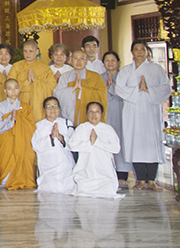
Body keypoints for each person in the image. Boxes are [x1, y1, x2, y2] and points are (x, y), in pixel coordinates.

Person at [115, 40, 171, 191]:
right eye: (136, 49)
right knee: (136, 143)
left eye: (142, 49)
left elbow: (166, 88)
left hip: (151, 111)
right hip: (132, 111)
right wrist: (136, 90)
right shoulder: (126, 71)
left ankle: (151, 180)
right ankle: (140, 179)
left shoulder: (156, 69)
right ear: (132, 52)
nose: (139, 52)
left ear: (147, 52)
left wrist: (149, 90)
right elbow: (119, 88)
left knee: (152, 143)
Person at [69, 102, 122, 199]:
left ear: (102, 114)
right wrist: (89, 143)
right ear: (86, 114)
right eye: (91, 112)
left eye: (97, 112)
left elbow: (116, 148)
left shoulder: (108, 129)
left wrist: (97, 142)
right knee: (83, 189)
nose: (94, 114)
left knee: (107, 189)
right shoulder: (81, 128)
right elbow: (72, 146)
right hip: (85, 170)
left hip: (105, 172)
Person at [0, 79, 36, 190]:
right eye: (9, 88)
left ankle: (22, 179)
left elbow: (31, 127)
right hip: (6, 138)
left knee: (22, 157)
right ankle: (5, 180)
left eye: (16, 88)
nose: (13, 91)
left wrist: (19, 120)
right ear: (5, 91)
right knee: (5, 159)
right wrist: (10, 120)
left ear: (20, 90)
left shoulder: (25, 107)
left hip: (22, 140)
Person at [31, 96, 76, 194]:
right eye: (49, 107)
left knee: (68, 187)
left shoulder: (66, 123)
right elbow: (36, 145)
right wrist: (50, 138)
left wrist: (60, 137)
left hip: (65, 163)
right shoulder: (38, 126)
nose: (52, 109)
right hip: (48, 164)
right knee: (49, 189)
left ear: (59, 109)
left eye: (55, 106)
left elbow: (74, 143)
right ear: (44, 110)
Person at [101, 51, 131, 189]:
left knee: (121, 141)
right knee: (105, 141)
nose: (110, 63)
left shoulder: (124, 77)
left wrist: (112, 88)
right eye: (107, 60)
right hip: (105, 114)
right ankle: (107, 172)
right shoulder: (99, 78)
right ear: (103, 63)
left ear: (118, 62)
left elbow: (127, 94)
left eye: (113, 60)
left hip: (121, 112)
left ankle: (122, 174)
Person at [54, 50, 108, 127]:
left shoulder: (95, 77)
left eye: (82, 58)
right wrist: (73, 89)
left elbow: (102, 95)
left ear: (86, 61)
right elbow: (57, 94)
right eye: (75, 58)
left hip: (90, 118)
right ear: (71, 60)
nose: (78, 61)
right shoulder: (65, 76)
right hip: (69, 116)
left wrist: (83, 89)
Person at [8, 40, 56, 123]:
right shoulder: (16, 66)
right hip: (21, 100)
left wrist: (35, 80)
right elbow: (9, 85)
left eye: (31, 51)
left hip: (38, 103)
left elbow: (52, 87)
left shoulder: (45, 68)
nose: (28, 54)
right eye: (25, 51)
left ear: (37, 52)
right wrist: (27, 83)